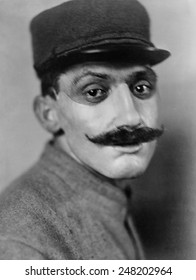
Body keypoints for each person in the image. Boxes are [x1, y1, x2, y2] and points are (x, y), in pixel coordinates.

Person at [0, 0, 170, 259]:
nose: (131, 117)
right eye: (94, 92)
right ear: (49, 114)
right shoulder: (22, 240)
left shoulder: (107, 188)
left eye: (141, 88)